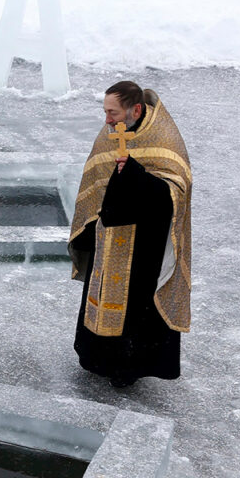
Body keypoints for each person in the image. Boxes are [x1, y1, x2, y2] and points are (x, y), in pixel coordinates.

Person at [68, 80, 192, 387]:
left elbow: (175, 192)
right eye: (105, 111)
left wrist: (135, 175)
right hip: (107, 234)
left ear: (135, 110)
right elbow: (96, 176)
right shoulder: (110, 132)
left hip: (144, 243)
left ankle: (128, 370)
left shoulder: (163, 135)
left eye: (113, 113)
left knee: (135, 310)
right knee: (101, 298)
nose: (107, 120)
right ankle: (95, 359)